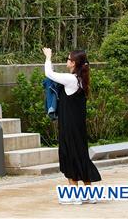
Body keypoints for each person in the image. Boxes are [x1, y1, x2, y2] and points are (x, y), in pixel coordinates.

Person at [43, 47, 102, 204]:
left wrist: (48, 57)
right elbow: (55, 77)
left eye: (68, 59)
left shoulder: (71, 80)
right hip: (78, 126)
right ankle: (90, 194)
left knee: (69, 155)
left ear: (74, 63)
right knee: (81, 155)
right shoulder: (80, 79)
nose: (67, 61)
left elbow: (49, 74)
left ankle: (74, 196)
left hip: (69, 125)